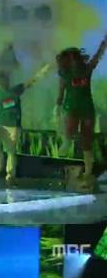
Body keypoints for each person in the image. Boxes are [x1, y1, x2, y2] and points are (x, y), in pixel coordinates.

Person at [0, 60, 51, 185]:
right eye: (3, 80)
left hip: (13, 126)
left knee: (11, 149)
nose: (6, 82)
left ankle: (10, 175)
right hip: (0, 125)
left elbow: (31, 82)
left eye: (7, 79)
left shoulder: (15, 90)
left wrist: (42, 71)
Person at [54, 34, 107, 191]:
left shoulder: (86, 70)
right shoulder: (64, 74)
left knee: (86, 141)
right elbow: (60, 93)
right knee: (70, 126)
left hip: (86, 108)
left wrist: (104, 43)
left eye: (75, 58)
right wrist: (56, 108)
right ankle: (66, 140)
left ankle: (88, 172)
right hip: (71, 107)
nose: (74, 61)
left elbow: (97, 56)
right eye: (70, 59)